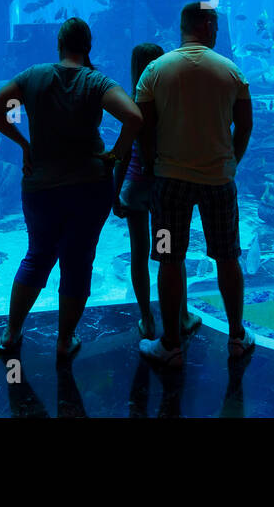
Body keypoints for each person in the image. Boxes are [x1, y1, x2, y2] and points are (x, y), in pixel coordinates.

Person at [0, 17, 142, 359]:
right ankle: (64, 339)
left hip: (40, 186)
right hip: (89, 185)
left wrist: (24, 144)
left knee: (37, 256)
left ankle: (11, 333)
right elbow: (134, 117)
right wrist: (115, 154)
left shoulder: (33, 75)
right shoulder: (96, 81)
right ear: (88, 46)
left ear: (59, 44)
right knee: (78, 260)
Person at [137, 2, 255, 367]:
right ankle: (236, 337)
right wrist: (231, 160)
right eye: (216, 25)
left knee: (169, 260)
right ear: (204, 25)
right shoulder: (231, 72)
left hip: (170, 182)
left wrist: (155, 165)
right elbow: (245, 124)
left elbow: (144, 128)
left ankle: (170, 343)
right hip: (219, 181)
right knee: (227, 256)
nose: (218, 32)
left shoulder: (155, 71)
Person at [111, 42, 167, 339]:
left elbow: (122, 156)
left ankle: (146, 318)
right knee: (170, 255)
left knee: (139, 254)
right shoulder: (170, 103)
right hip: (163, 188)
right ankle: (179, 314)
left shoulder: (131, 103)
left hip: (134, 189)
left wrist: (115, 193)